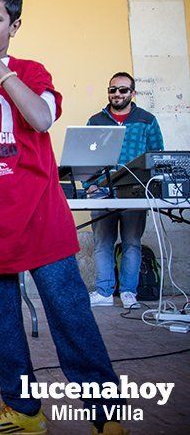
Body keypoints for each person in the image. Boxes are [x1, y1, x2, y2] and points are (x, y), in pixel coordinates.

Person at [0, 0, 126, 435]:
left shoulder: (31, 72)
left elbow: (40, 117)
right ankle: (23, 410)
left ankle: (108, 415)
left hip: (41, 220)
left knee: (70, 316)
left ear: (14, 26)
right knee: (2, 324)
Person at [86, 72, 164, 309]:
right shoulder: (95, 120)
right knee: (102, 242)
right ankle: (104, 292)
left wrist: (153, 187)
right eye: (112, 90)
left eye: (122, 90)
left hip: (135, 192)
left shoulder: (147, 120)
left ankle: (129, 292)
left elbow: (157, 155)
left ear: (132, 93)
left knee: (131, 242)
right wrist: (88, 183)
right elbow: (85, 155)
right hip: (101, 191)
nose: (117, 94)